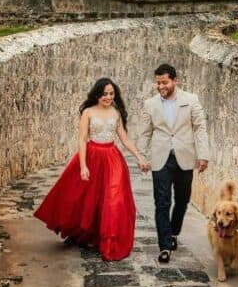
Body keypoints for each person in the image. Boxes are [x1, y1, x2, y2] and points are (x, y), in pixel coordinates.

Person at [34, 77, 148, 261]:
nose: (108, 97)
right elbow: (81, 139)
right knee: (84, 198)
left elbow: (125, 139)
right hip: (92, 156)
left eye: (111, 94)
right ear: (97, 94)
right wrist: (83, 166)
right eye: (105, 94)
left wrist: (139, 157)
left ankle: (110, 242)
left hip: (112, 158)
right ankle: (82, 232)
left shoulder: (116, 113)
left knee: (113, 200)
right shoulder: (88, 112)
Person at [138, 64, 209, 263]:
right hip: (160, 158)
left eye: (165, 82)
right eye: (158, 83)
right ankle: (164, 246)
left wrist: (203, 155)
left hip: (185, 157)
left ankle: (174, 232)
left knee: (183, 199)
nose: (161, 86)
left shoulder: (191, 100)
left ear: (175, 81)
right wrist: (142, 156)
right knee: (162, 202)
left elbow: (200, 128)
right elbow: (145, 133)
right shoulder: (150, 104)